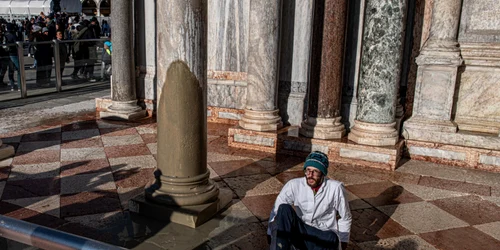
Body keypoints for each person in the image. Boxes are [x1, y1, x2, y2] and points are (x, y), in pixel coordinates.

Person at [267, 151, 352, 250]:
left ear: (323, 173)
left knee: (332, 238)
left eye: (315, 171)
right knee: (284, 208)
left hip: (322, 233)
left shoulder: (335, 188)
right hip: (301, 230)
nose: (310, 175)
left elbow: (345, 217)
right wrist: (270, 232)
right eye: (308, 170)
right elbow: (276, 210)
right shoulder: (294, 184)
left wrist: (343, 241)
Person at [3, 23, 21, 91]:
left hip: (7, 54)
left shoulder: (5, 35)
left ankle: (12, 85)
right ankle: (19, 85)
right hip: (14, 53)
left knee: (11, 70)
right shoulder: (13, 34)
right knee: (19, 69)